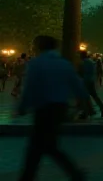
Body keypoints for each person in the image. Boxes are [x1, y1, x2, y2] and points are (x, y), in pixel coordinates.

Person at [17, 35, 91, 181]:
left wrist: (23, 106)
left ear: (39, 46)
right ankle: (75, 173)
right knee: (47, 145)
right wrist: (84, 104)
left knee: (39, 145)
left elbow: (30, 87)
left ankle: (29, 176)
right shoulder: (64, 64)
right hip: (59, 108)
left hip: (43, 108)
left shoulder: (36, 64)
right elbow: (78, 86)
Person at [78, 51, 103, 118]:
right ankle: (102, 108)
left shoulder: (82, 63)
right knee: (94, 96)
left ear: (82, 56)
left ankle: (86, 112)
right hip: (91, 80)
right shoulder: (91, 62)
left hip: (85, 81)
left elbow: (81, 73)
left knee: (84, 97)